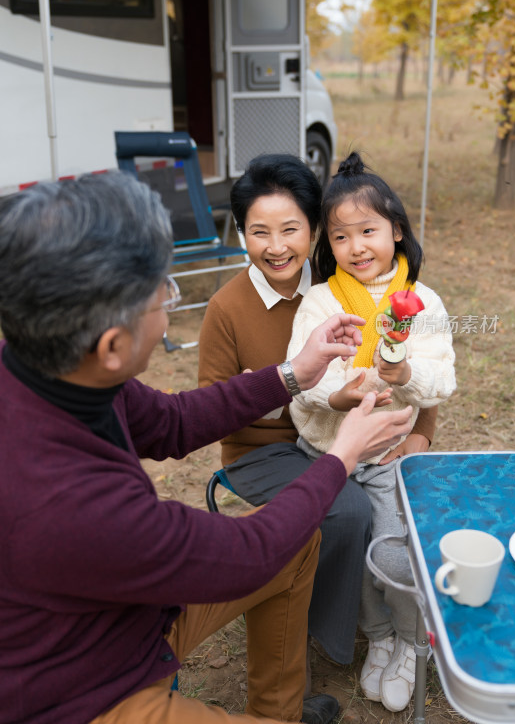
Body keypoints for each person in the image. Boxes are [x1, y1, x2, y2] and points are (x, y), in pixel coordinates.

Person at [0, 172, 414, 724]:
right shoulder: (69, 498)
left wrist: (294, 371)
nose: (169, 304)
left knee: (296, 546)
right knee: (281, 542)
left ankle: (281, 711)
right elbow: (248, 553)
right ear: (113, 345)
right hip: (83, 688)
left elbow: (173, 421)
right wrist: (343, 454)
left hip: (127, 606)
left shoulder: (53, 365)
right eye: (161, 293)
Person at [198, 154, 437, 670]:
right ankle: (329, 637)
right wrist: (271, 390)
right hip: (263, 450)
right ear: (242, 234)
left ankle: (390, 625)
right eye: (259, 232)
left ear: (315, 231)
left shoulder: (342, 282)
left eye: (291, 229)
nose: (277, 246)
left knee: (397, 501)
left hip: (344, 436)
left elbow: (411, 364)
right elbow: (210, 408)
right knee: (347, 506)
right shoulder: (227, 308)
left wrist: (423, 434)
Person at [287, 152, 456, 713]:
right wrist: (339, 394)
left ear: (396, 231)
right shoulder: (320, 300)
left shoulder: (422, 303)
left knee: (395, 556)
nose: (357, 247)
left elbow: (442, 381)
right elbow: (305, 378)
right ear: (327, 245)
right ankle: (380, 637)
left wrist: (403, 373)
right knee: (355, 552)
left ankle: (412, 641)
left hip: (384, 455)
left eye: (368, 231)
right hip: (329, 450)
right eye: (340, 237)